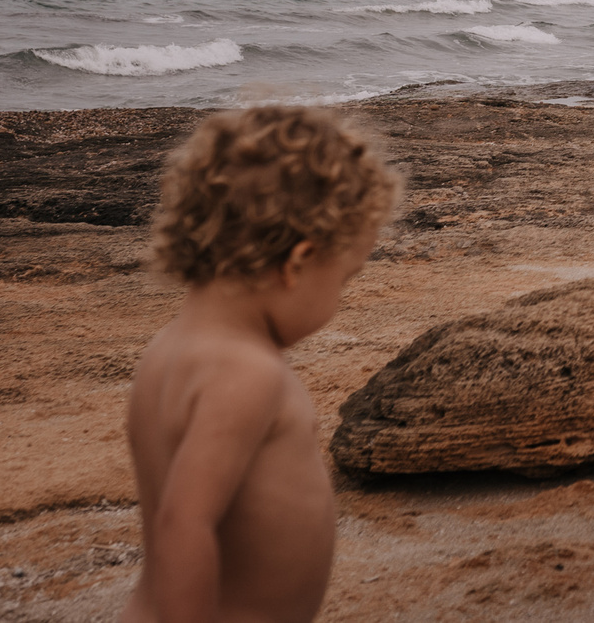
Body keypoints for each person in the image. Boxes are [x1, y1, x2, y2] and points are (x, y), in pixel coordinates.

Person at [123, 106, 401, 623]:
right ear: (297, 262)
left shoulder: (168, 350)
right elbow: (184, 523)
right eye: (343, 278)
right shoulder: (245, 372)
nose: (341, 295)